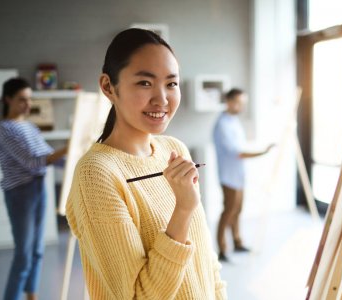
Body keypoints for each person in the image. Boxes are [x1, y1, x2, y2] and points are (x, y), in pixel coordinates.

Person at [65, 28, 227, 299]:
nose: (162, 99)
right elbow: (138, 296)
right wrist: (183, 210)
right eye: (145, 83)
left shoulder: (173, 149)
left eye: (171, 84)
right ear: (108, 86)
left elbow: (205, 263)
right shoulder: (96, 174)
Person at [0, 77, 68, 300]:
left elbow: (49, 157)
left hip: (37, 189)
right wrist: (68, 147)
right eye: (22, 100)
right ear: (8, 99)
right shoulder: (4, 129)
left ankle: (31, 295)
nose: (27, 104)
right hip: (20, 194)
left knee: (37, 251)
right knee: (23, 254)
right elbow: (34, 162)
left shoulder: (29, 126)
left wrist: (76, 156)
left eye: (29, 99)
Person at [213, 88, 274, 262]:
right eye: (239, 103)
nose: (242, 106)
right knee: (229, 210)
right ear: (229, 102)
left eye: (243, 103)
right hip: (228, 176)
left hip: (238, 175)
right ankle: (222, 249)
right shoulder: (222, 124)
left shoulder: (234, 121)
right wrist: (262, 153)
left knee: (238, 210)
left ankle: (237, 242)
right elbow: (237, 152)